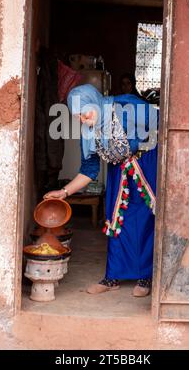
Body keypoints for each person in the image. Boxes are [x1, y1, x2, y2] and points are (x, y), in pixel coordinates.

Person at [44, 84, 158, 297]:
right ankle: (112, 277)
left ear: (95, 102)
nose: (82, 119)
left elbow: (164, 126)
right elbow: (89, 169)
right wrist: (65, 192)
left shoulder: (127, 105)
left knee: (144, 221)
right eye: (77, 115)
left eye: (84, 112)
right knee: (116, 221)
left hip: (146, 169)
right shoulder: (89, 133)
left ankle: (145, 277)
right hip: (119, 175)